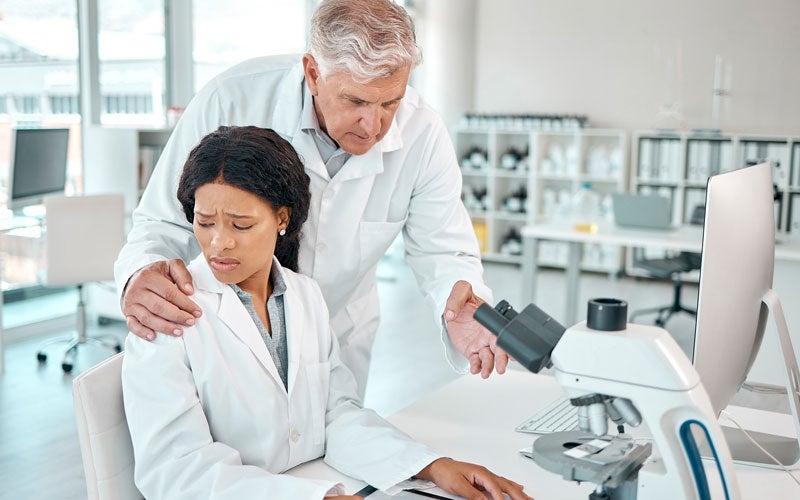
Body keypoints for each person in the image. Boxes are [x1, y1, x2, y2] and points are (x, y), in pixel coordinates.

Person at [115, 0, 508, 398]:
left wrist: (461, 304)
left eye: (390, 102)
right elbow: (161, 223)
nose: (374, 125)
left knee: (333, 443)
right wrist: (141, 273)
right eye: (355, 101)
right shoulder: (229, 99)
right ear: (313, 72)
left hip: (339, 335)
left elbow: (444, 249)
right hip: (225, 330)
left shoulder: (422, 133)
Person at [121, 125, 533, 500]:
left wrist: (429, 466)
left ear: (282, 219)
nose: (218, 244)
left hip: (313, 477)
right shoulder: (164, 314)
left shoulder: (304, 297)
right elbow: (175, 471)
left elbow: (335, 417)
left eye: (241, 225)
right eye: (204, 222)